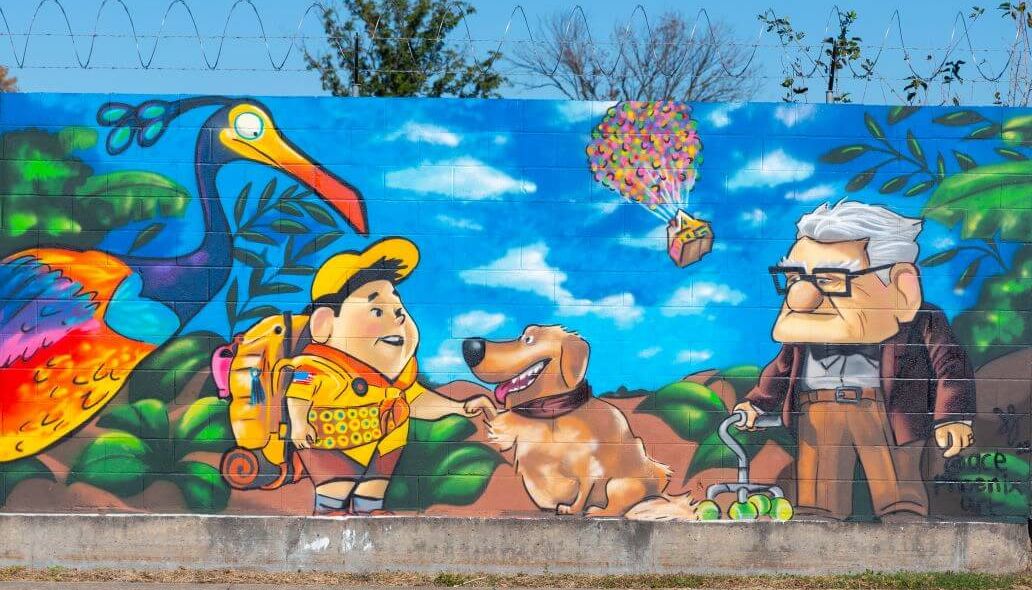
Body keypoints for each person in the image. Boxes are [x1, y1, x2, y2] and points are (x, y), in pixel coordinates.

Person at [733, 201, 976, 522]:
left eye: (831, 278)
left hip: (884, 411)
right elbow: (783, 366)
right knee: (817, 499)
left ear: (902, 289)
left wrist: (952, 416)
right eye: (794, 278)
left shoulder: (923, 319)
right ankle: (816, 536)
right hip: (817, 412)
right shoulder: (806, 333)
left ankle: (906, 536)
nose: (801, 299)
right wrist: (757, 403)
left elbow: (950, 365)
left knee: (898, 493)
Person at [283, 236, 496, 516]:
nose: (397, 318)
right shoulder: (318, 367)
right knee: (337, 486)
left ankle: (370, 511)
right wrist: (299, 424)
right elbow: (298, 393)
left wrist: (459, 408)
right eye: (376, 310)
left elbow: (417, 402)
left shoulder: (397, 380)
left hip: (381, 449)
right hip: (334, 444)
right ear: (325, 324)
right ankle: (329, 512)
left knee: (373, 488)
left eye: (398, 310)